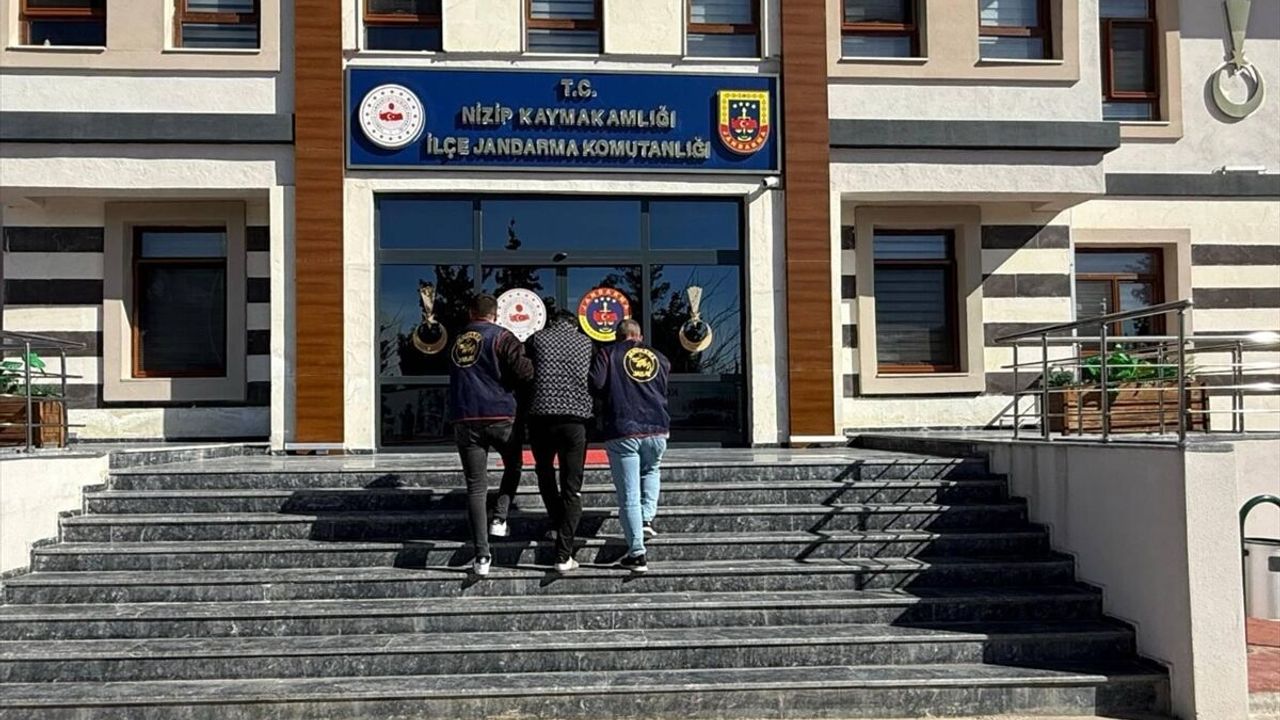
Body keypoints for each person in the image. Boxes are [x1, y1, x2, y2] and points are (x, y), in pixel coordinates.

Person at [448, 294, 534, 576]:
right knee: (514, 465)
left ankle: (482, 556)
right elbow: (524, 372)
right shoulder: (502, 337)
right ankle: (500, 516)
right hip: (500, 415)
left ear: (471, 313)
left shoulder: (458, 340)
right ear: (496, 314)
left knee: (476, 487)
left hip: (465, 417)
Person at [589, 318, 671, 574]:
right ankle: (646, 519)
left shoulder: (608, 354)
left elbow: (596, 383)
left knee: (629, 495)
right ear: (640, 336)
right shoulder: (660, 357)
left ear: (618, 336)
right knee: (651, 471)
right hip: (658, 426)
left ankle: (637, 553)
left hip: (624, 427)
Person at [526, 310, 595, 573]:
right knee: (571, 487)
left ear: (552, 323)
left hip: (541, 417)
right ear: (574, 325)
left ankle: (556, 522)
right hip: (575, 421)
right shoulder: (586, 342)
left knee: (544, 472)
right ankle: (563, 554)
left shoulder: (537, 338)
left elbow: (526, 372)